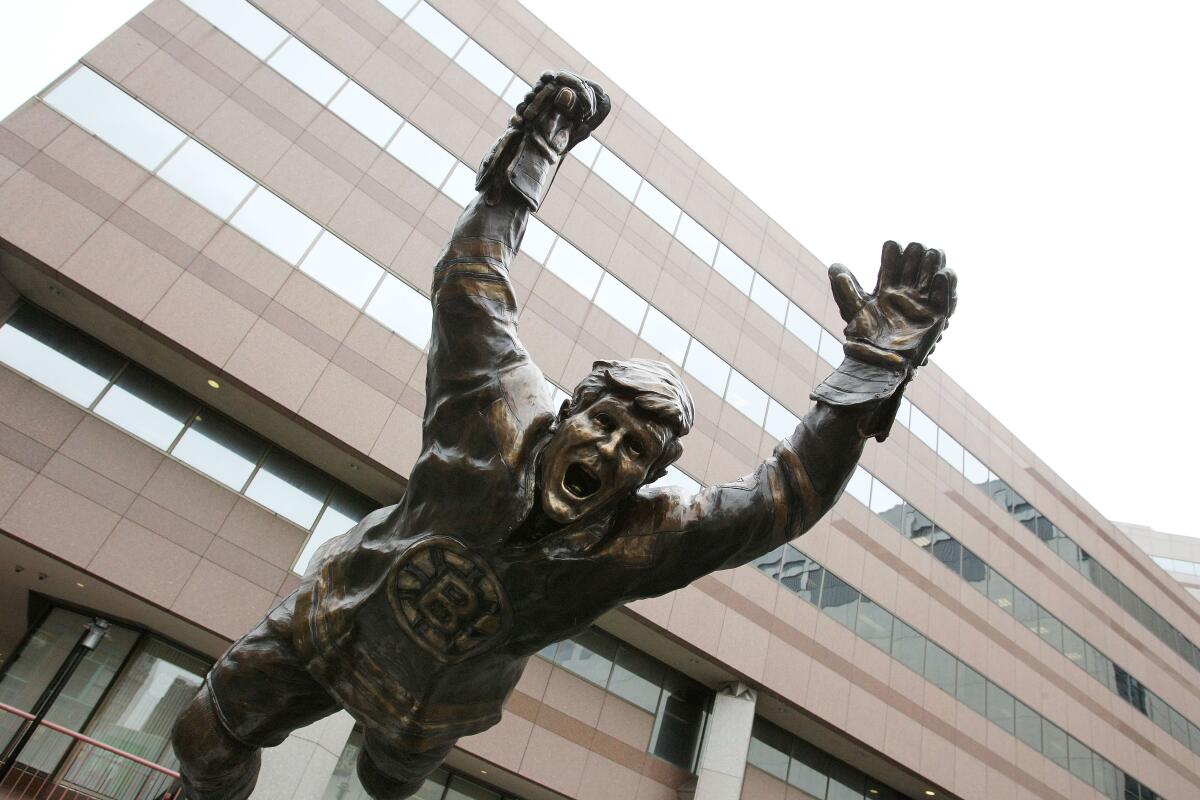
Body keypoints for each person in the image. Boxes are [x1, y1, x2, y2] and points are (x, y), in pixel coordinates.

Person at [171, 71, 956, 800]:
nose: (610, 451)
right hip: (341, 614)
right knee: (204, 734)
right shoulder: (494, 407)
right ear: (569, 412)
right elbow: (472, 279)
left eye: (635, 452)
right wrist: (534, 151)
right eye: (604, 425)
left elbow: (781, 500)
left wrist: (869, 374)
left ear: (650, 477)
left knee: (385, 784)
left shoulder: (647, 537)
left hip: (442, 697)